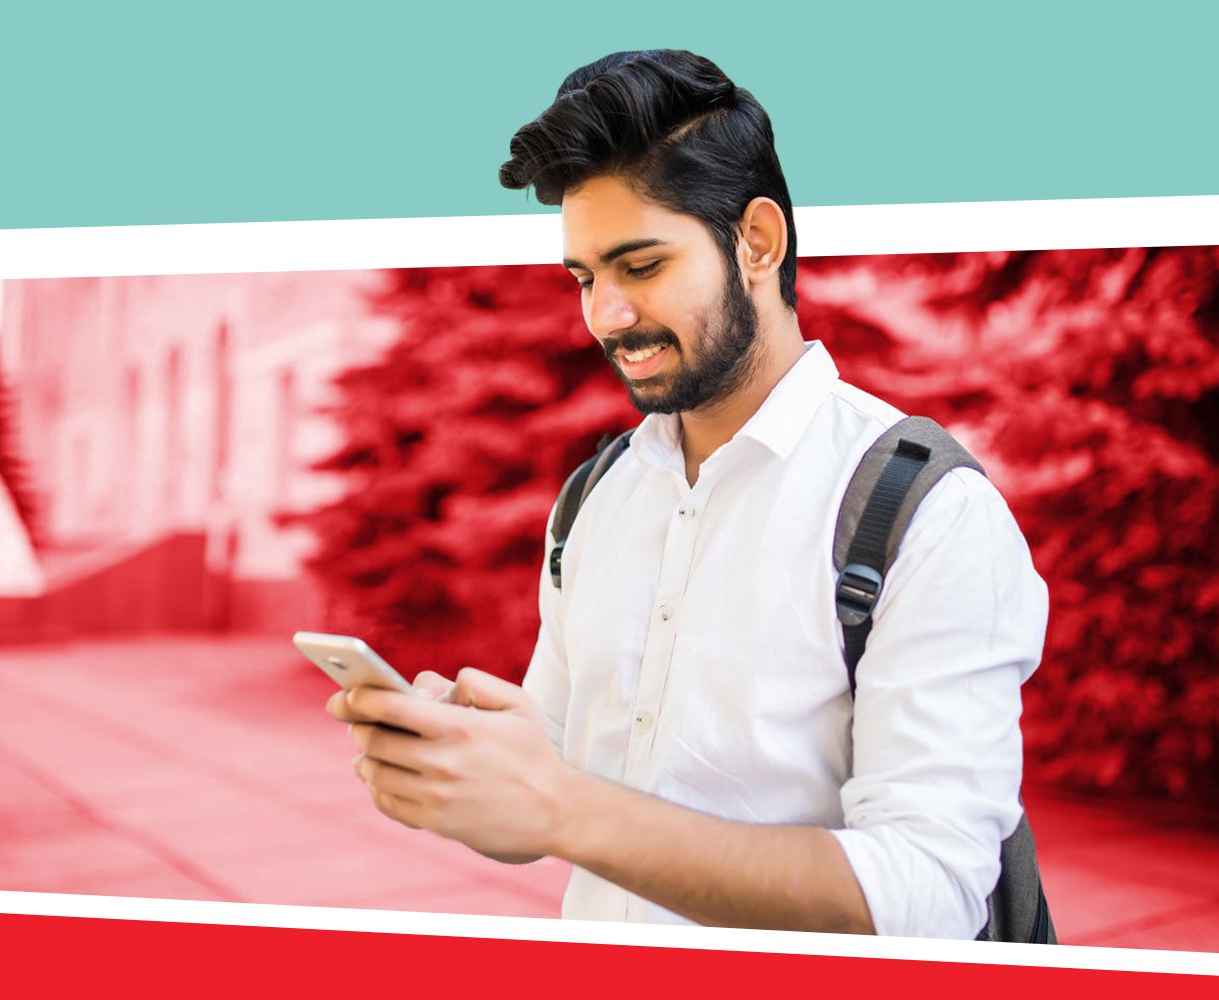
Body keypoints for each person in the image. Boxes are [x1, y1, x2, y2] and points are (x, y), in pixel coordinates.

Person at [327, 49, 1048, 939]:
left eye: (640, 265)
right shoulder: (597, 499)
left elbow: (929, 896)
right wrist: (475, 768)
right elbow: (558, 785)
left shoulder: (925, 514)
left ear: (757, 241)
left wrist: (559, 808)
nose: (605, 316)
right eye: (585, 278)